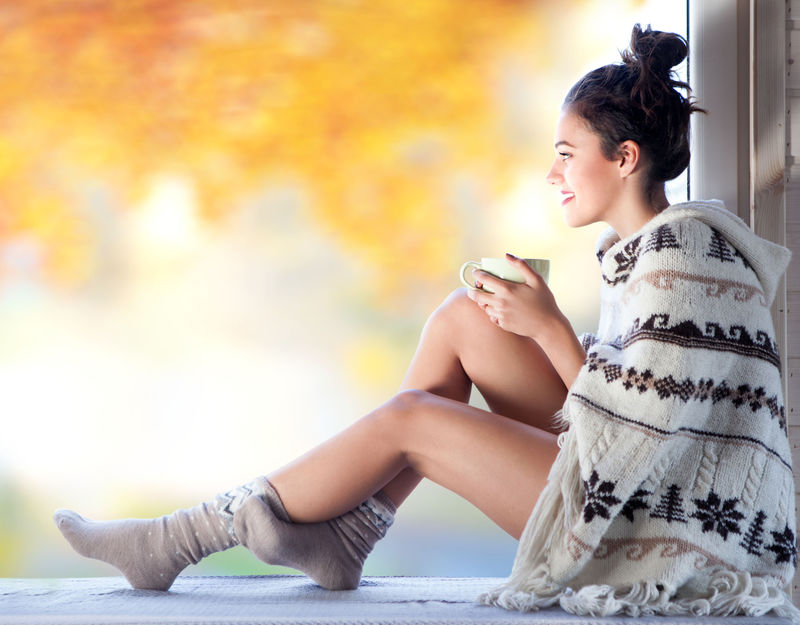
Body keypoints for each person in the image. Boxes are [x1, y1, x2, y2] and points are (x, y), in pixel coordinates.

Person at [54, 24, 798, 619]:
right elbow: (643, 399)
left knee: (414, 417)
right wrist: (526, 320)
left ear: (626, 157)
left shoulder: (689, 255)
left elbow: (654, 440)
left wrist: (548, 330)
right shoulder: (646, 250)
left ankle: (173, 540)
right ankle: (350, 534)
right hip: (630, 482)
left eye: (567, 154)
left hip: (660, 533)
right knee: (462, 319)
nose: (553, 174)